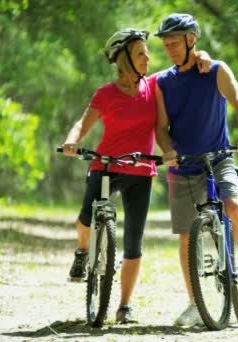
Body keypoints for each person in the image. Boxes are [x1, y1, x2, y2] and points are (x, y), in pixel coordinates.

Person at [61, 28, 211, 324]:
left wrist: (202, 55)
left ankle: (125, 306)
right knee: (85, 220)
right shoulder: (106, 93)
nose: (148, 57)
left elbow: (180, 74)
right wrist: (71, 140)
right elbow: (83, 122)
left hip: (141, 171)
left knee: (133, 244)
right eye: (141, 53)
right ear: (124, 59)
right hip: (106, 166)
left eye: (147, 52)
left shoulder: (153, 86)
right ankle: (83, 250)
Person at [154, 13, 238, 327]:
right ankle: (194, 301)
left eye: (175, 43)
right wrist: (167, 150)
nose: (170, 49)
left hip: (219, 158)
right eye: (166, 44)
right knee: (187, 236)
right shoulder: (163, 82)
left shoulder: (215, 70)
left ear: (192, 40)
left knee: (234, 206)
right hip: (183, 163)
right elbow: (161, 127)